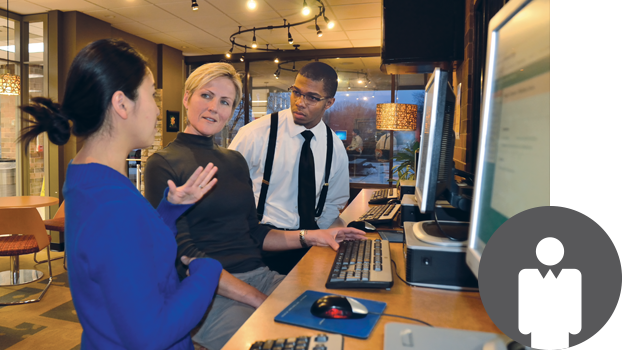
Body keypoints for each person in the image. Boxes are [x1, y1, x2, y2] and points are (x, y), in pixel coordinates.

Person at [143, 62, 365, 350]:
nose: (214, 108)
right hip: (206, 291)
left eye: (225, 102)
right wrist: (260, 300)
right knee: (284, 339)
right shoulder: (162, 163)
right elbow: (183, 254)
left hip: (260, 274)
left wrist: (313, 236)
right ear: (187, 97)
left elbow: (254, 233)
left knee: (346, 325)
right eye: (206, 96)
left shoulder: (233, 161)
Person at [18, 39, 223, 350]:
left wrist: (169, 210)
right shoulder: (110, 206)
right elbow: (151, 335)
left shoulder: (87, 176)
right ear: (121, 104)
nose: (157, 109)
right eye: (152, 94)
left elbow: (133, 254)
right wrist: (207, 272)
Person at [229, 62, 349, 274]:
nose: (299, 103)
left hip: (310, 246)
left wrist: (319, 234)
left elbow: (333, 202)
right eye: (296, 92)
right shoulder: (255, 134)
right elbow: (226, 191)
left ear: (329, 102)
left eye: (312, 97)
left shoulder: (335, 147)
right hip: (259, 245)